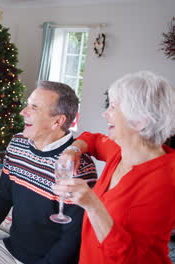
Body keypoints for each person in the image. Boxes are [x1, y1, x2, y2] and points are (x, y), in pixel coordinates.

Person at [0, 81, 97, 264]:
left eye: (34, 108)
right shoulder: (18, 143)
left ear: (58, 121)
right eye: (27, 104)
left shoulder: (80, 168)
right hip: (10, 249)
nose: (23, 112)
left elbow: (71, 240)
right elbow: (3, 194)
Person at [52, 71, 175, 264]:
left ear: (140, 120)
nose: (105, 113)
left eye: (113, 107)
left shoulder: (166, 181)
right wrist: (73, 150)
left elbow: (131, 258)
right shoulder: (120, 151)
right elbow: (90, 139)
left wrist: (92, 205)